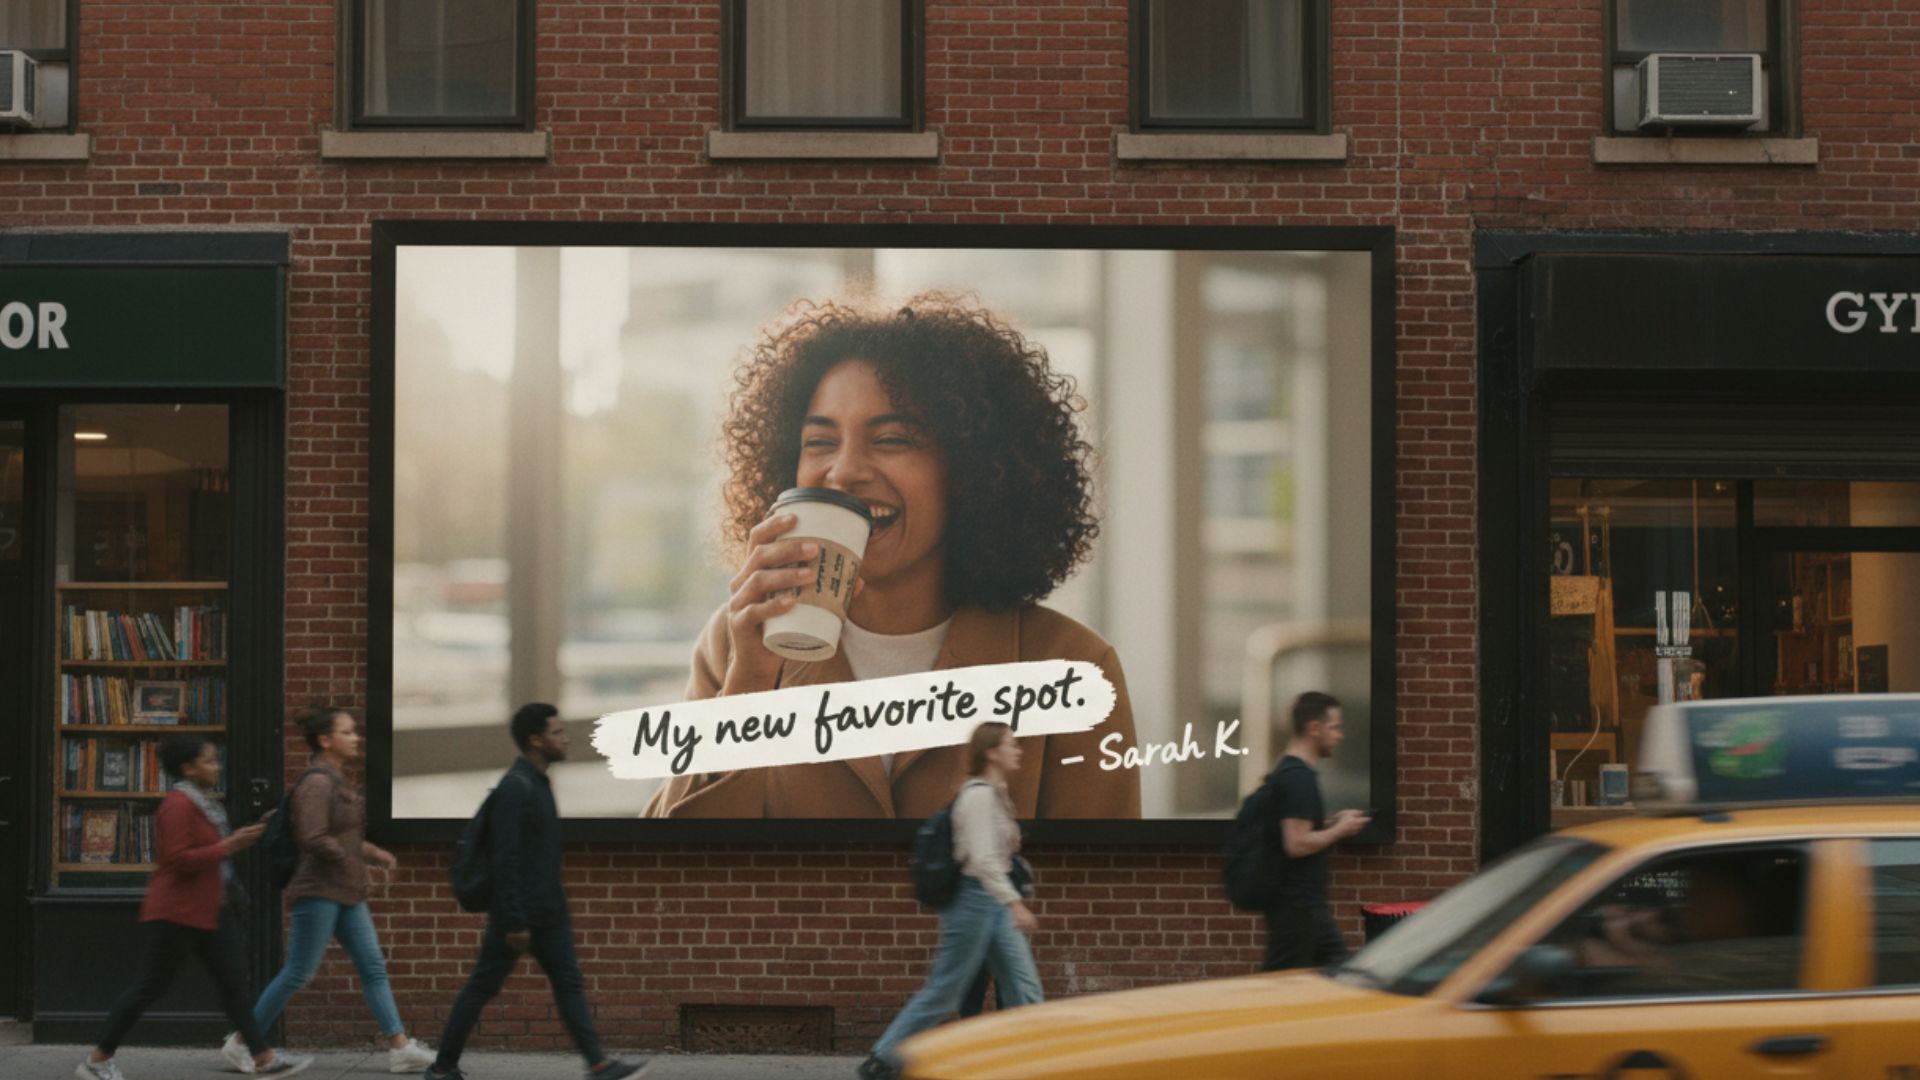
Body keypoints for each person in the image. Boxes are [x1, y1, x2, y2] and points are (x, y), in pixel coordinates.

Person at [645, 293, 1140, 819]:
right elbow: (670, 878)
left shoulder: (1073, 666)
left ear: (971, 469)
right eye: (819, 441)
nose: (844, 471)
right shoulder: (735, 644)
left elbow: (1097, 891)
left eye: (892, 439)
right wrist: (748, 688)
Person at [425, 704, 645, 1080]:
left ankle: (599, 1064)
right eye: (557, 732)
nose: (565, 738)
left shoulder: (538, 783)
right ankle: (443, 1067)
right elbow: (504, 858)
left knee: (568, 985)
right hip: (521, 916)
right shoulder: (517, 787)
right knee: (482, 987)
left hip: (548, 912)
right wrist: (513, 920)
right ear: (536, 739)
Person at [79, 734, 312, 1080]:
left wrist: (247, 833)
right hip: (178, 911)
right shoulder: (178, 805)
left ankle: (263, 1058)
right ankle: (97, 1060)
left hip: (209, 909)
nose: (217, 766)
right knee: (149, 987)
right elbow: (176, 859)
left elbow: (209, 848)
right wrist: (230, 845)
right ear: (189, 767)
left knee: (234, 984)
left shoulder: (202, 802)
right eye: (209, 760)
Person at [226, 708, 435, 1072]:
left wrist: (375, 854)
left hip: (346, 892)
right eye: (347, 732)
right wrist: (350, 861)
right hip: (318, 890)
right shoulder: (317, 783)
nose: (356, 738)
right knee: (298, 972)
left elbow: (344, 837)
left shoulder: (337, 781)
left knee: (372, 967)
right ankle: (244, 1041)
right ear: (325, 740)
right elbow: (312, 837)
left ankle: (400, 1047)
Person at [858, 722, 1044, 1080]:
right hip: (974, 901)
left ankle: (1034, 1064)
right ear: (991, 751)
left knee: (1024, 987)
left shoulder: (994, 792)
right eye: (1011, 744)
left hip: (992, 900)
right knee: (945, 990)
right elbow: (983, 859)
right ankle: (882, 1059)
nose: (1018, 750)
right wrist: (1015, 903)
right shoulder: (978, 796)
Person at [1260, 692, 1370, 972]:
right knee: (1327, 979)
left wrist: (1334, 821)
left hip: (1301, 908)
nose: (1340, 735)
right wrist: (1341, 830)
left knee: (1331, 978)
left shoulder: (1289, 772)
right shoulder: (1299, 778)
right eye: (1334, 727)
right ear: (1314, 728)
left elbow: (1297, 825)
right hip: (1300, 908)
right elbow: (1296, 843)